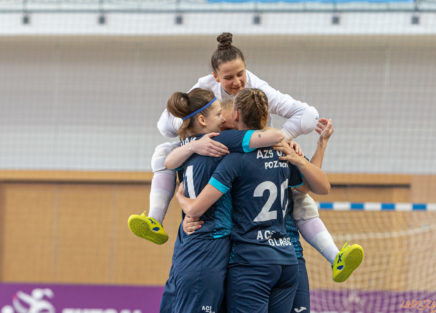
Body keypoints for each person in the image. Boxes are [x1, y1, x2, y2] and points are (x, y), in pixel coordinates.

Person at [128, 31, 360, 283]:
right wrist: (196, 142)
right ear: (215, 77)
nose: (237, 81)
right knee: (164, 152)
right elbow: (166, 129)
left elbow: (309, 117)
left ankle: (335, 256)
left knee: (300, 197)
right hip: (227, 149)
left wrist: (284, 137)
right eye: (228, 77)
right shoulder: (203, 91)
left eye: (241, 74)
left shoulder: (258, 89)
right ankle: (154, 220)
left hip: (250, 146)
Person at [176, 88, 331, 313]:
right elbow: (320, 186)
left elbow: (198, 207)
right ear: (267, 116)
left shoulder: (233, 158)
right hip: (286, 261)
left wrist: (181, 200)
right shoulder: (283, 151)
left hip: (251, 261)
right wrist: (318, 147)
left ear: (236, 115)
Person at [157, 88, 286, 313]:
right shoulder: (221, 139)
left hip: (187, 243)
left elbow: (167, 163)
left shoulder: (184, 147)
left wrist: (192, 146)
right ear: (202, 120)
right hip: (208, 243)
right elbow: (275, 136)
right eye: (218, 114)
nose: (223, 118)